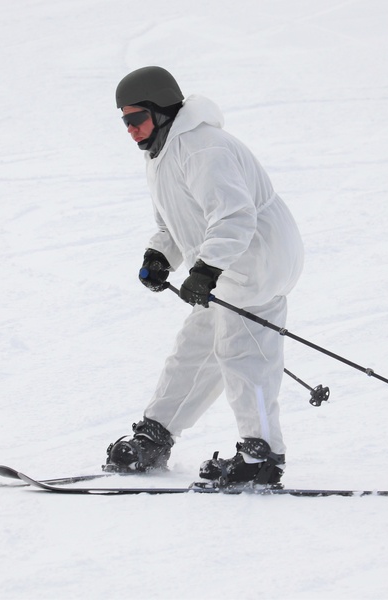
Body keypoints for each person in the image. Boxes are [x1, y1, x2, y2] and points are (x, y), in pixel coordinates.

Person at [104, 66, 304, 486]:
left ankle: (262, 456)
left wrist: (206, 268)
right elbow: (178, 223)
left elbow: (234, 216)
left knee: (243, 356)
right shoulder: (160, 152)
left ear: (160, 111)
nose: (130, 130)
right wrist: (160, 255)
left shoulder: (200, 148)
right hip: (224, 264)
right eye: (124, 121)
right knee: (194, 348)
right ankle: (155, 435)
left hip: (256, 262)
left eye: (135, 119)